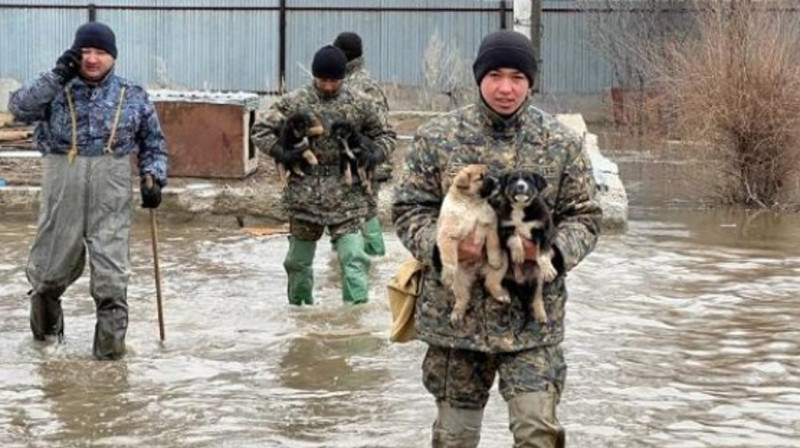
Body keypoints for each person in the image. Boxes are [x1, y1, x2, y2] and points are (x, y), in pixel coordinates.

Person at [392, 30, 601, 447]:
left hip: (532, 320)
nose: (506, 88)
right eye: (496, 76)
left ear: (531, 82)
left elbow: (586, 217)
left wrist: (550, 252)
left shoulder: (560, 142)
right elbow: (408, 209)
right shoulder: (438, 137)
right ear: (479, 78)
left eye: (517, 77)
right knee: (454, 438)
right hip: (458, 322)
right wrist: (443, 248)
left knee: (538, 434)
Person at [8, 22, 168, 360]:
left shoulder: (133, 94)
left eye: (100, 52)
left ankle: (109, 366)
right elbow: (19, 109)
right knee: (46, 277)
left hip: (111, 193)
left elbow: (153, 144)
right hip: (62, 187)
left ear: (113, 56)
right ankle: (47, 351)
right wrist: (57, 75)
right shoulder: (55, 87)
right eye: (86, 52)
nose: (92, 59)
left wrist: (154, 177)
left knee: (111, 282)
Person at [251, 45, 396, 306]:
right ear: (314, 76)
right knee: (297, 262)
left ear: (343, 78)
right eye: (323, 80)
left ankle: (354, 321)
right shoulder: (295, 102)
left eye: (334, 80)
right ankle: (300, 312)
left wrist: (374, 155)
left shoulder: (360, 103)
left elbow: (386, 135)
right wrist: (283, 153)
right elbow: (260, 130)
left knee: (353, 258)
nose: (328, 86)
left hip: (347, 193)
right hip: (304, 194)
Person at [333, 31, 391, 257]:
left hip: (365, 161)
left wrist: (372, 156)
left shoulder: (362, 85)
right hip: (352, 161)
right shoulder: (347, 80)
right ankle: (355, 261)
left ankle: (374, 261)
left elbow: (381, 127)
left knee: (364, 212)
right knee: (355, 213)